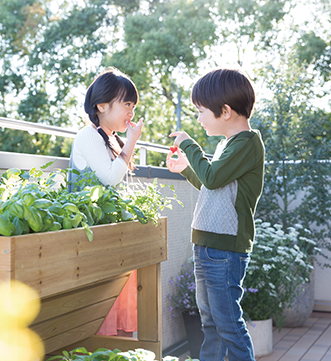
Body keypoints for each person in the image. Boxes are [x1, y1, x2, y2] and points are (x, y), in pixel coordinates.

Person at [166, 68, 265, 361]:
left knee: (228, 326)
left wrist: (188, 144)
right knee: (211, 325)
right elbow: (212, 185)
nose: (198, 118)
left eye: (200, 111)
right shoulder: (228, 145)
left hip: (224, 250)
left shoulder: (247, 143)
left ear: (225, 111)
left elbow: (211, 177)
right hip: (209, 247)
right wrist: (185, 168)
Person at [69, 67, 144, 336]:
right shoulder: (88, 135)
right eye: (126, 104)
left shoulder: (111, 139)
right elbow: (111, 179)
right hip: (91, 237)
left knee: (119, 309)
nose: (131, 112)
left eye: (133, 106)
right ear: (101, 105)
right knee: (102, 312)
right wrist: (131, 144)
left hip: (107, 234)